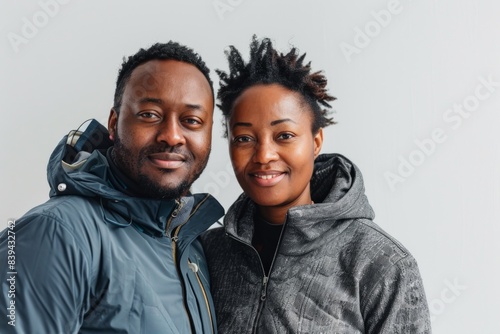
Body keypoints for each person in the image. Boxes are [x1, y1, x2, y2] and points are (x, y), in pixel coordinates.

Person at [201, 36, 432, 333]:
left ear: (316, 141)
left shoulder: (380, 263)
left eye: (284, 135)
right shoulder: (207, 252)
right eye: (244, 138)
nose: (264, 155)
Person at [0, 42, 224, 333]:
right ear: (114, 122)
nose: (172, 136)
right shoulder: (55, 234)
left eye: (191, 121)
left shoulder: (191, 247)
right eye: (149, 115)